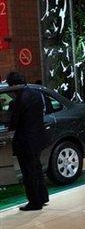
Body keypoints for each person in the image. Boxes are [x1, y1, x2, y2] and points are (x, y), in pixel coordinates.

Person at [6, 71, 49, 211]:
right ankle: (42, 198)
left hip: (25, 142)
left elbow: (13, 122)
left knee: (29, 173)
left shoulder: (19, 100)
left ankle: (34, 203)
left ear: (13, 85)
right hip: (38, 139)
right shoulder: (36, 93)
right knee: (37, 169)